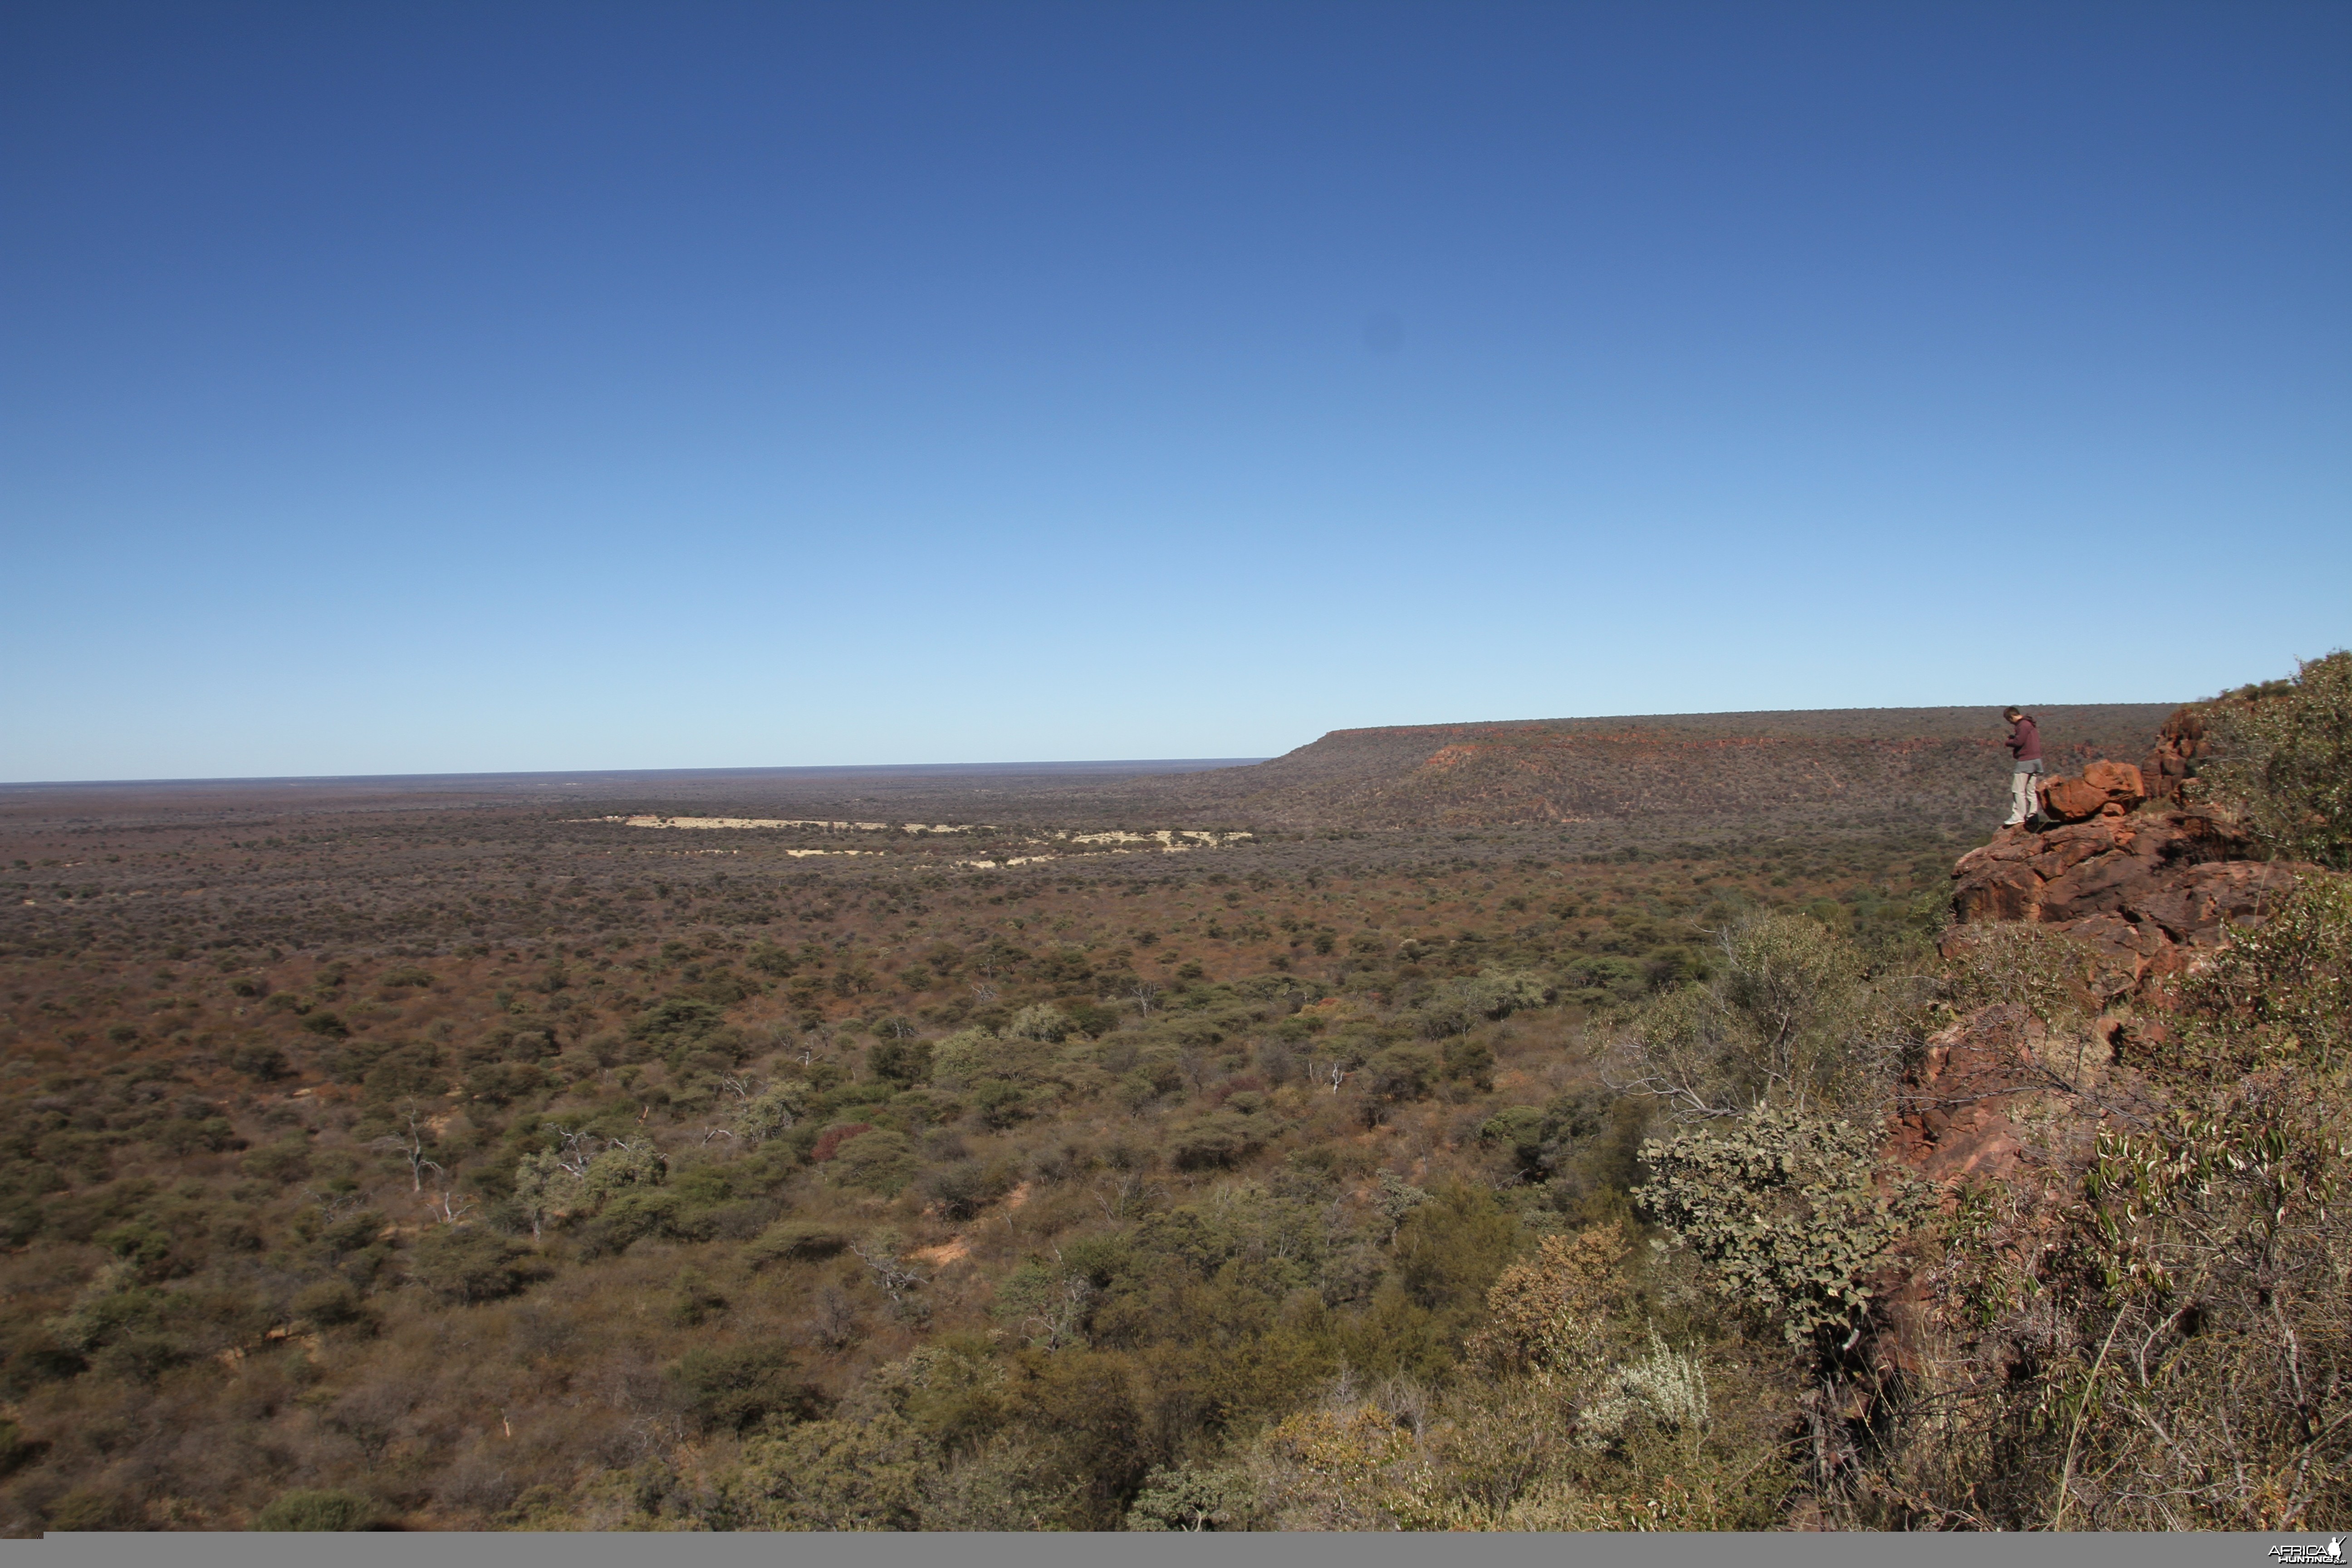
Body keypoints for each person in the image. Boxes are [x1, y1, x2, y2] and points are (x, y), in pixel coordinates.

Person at [2002, 707, 2043, 828]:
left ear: (2012, 717)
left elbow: (2018, 742)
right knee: (2031, 790)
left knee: (2018, 789)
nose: (2010, 723)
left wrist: (2009, 742)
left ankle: (2019, 815)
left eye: (2009, 720)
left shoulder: (2023, 725)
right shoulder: (2029, 724)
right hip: (2035, 760)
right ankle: (2032, 815)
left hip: (2026, 760)